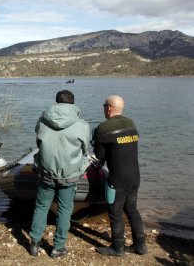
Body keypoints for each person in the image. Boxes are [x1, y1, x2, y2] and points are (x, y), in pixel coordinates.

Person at [29, 90, 90, 258]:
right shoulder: (82, 125)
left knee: (41, 207)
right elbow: (85, 150)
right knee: (64, 209)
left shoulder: (42, 121)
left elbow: (39, 142)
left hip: (46, 173)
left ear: (56, 103)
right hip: (69, 175)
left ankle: (34, 243)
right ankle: (58, 247)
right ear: (73, 104)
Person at [92, 95, 147, 256]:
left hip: (117, 179)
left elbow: (99, 156)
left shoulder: (103, 128)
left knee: (115, 212)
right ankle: (141, 245)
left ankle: (118, 248)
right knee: (132, 209)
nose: (103, 108)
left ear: (109, 107)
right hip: (135, 176)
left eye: (104, 106)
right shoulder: (131, 123)